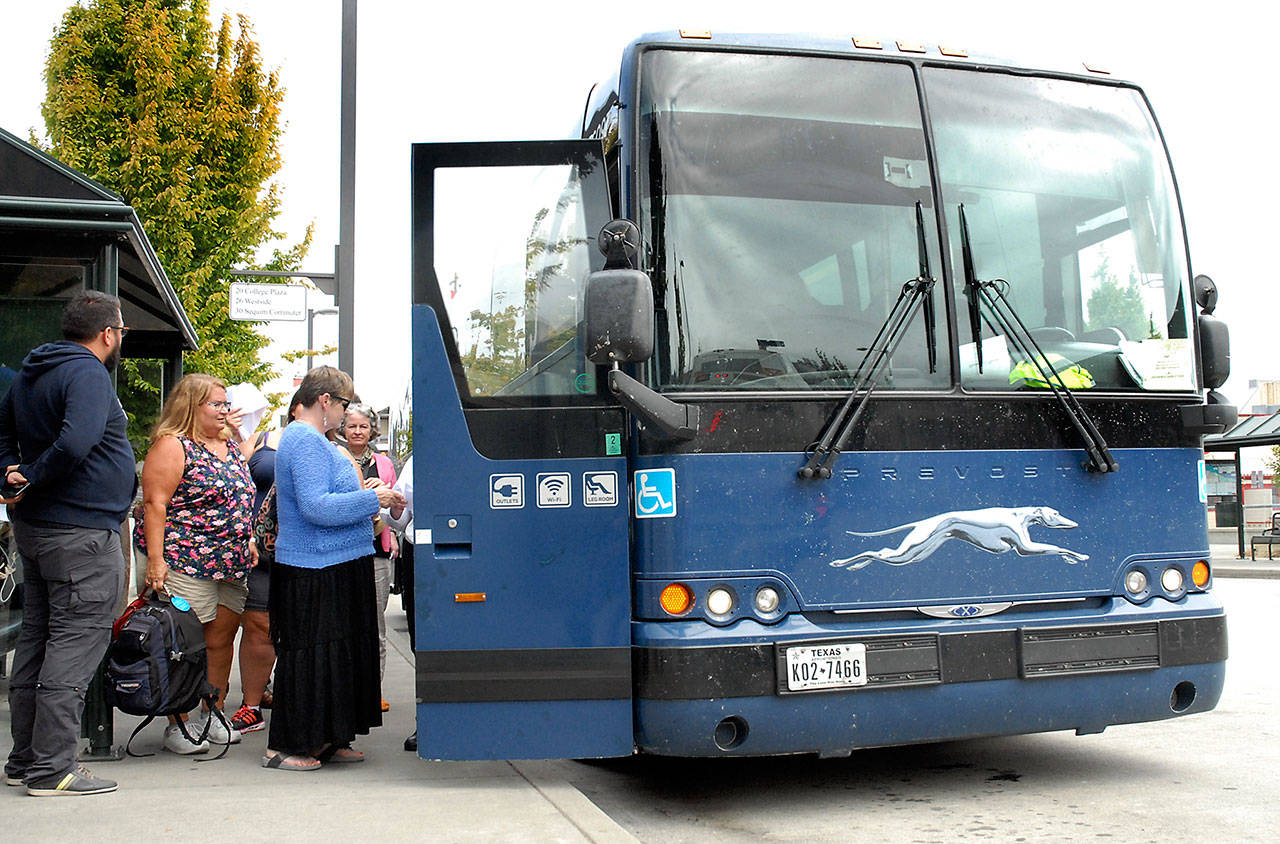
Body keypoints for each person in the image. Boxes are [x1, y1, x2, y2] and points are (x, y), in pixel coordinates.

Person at [0, 291, 133, 796]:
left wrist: (12, 477)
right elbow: (78, 442)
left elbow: (2, 429)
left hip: (37, 530)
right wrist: (31, 476)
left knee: (36, 642)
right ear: (108, 333)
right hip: (80, 536)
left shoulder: (35, 370)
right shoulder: (87, 374)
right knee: (72, 650)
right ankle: (53, 769)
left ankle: (25, 760)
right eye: (121, 332)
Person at [264, 366, 403, 771]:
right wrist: (372, 500)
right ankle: (288, 745)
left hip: (336, 562)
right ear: (325, 400)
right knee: (311, 656)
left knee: (336, 655)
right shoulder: (305, 440)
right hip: (314, 567)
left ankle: (325, 736)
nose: (346, 415)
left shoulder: (316, 440)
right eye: (343, 405)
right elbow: (316, 506)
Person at [135, 373, 255, 754]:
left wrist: (248, 537)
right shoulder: (172, 446)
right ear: (192, 406)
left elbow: (240, 497)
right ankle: (178, 723)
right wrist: (156, 561)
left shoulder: (229, 445)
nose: (225, 411)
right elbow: (156, 503)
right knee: (185, 644)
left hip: (230, 563)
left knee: (221, 640)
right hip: (185, 560)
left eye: (225, 403)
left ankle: (213, 712)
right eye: (216, 404)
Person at [228, 393, 302, 735]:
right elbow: (231, 480)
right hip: (261, 551)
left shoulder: (332, 449)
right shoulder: (260, 440)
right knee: (258, 624)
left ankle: (297, 702)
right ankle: (251, 704)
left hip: (306, 551)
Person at [341, 403, 397, 711]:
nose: (357, 431)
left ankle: (373, 691)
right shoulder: (336, 458)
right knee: (346, 624)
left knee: (375, 626)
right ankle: (347, 689)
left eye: (363, 426)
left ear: (372, 430)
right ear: (343, 430)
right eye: (352, 426)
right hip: (344, 551)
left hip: (376, 551)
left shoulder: (383, 463)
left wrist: (383, 490)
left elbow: (395, 505)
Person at [380, 454, 416, 751]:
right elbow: (400, 518)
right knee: (421, 642)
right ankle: (428, 719)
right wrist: (394, 508)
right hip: (422, 552)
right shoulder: (418, 460)